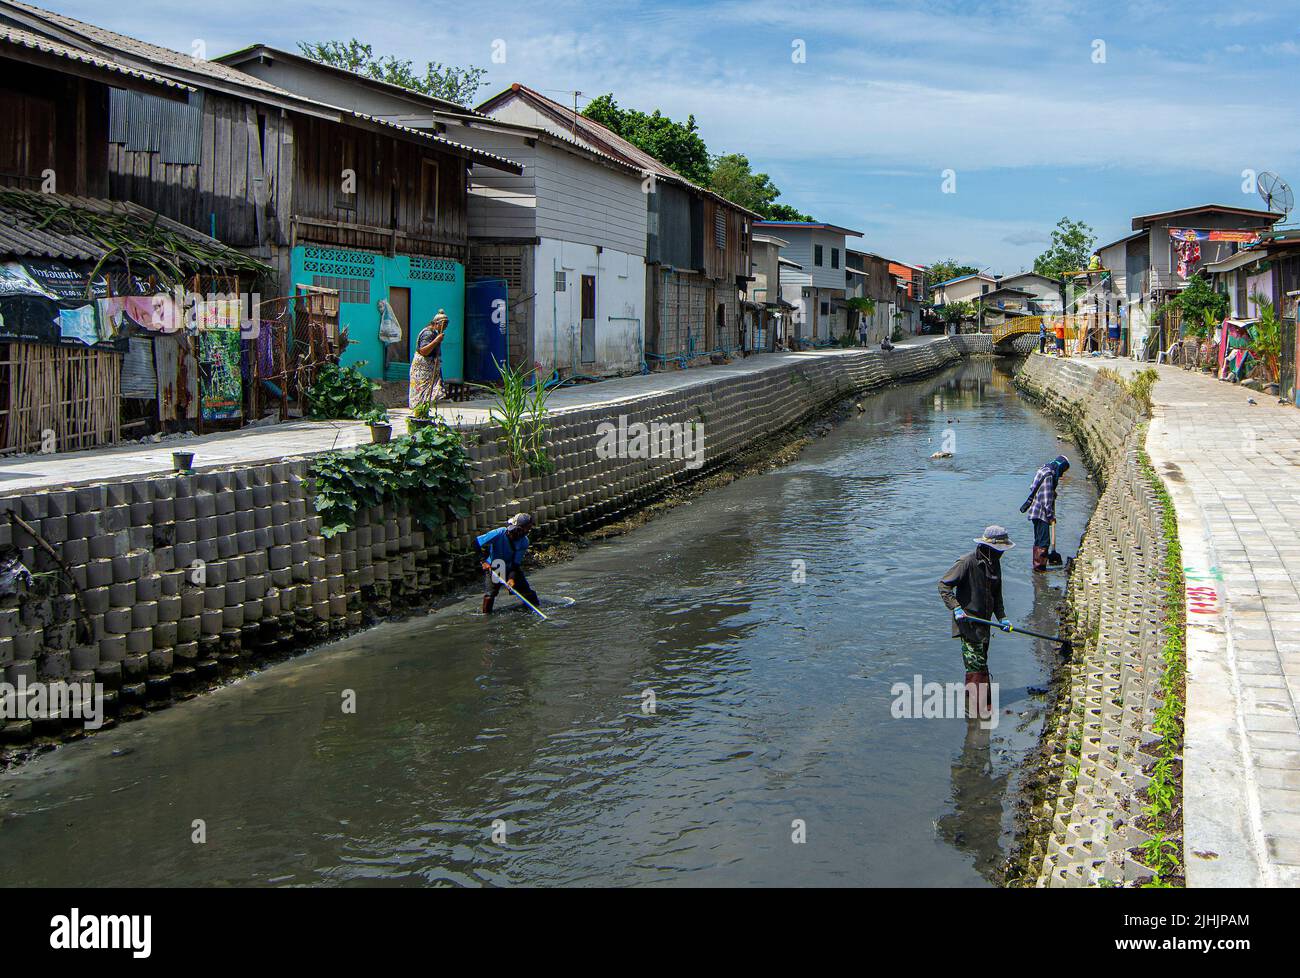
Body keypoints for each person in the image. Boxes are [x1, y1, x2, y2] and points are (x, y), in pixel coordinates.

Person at [938, 525, 1014, 718]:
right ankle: (978, 710)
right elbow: (944, 585)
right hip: (968, 623)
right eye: (999, 550)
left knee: (981, 661)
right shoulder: (967, 562)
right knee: (975, 664)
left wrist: (1002, 617)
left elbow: (997, 595)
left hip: (985, 624)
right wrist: (956, 607)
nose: (1001, 554)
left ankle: (973, 704)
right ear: (989, 547)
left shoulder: (994, 564)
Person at [477, 512, 539, 615]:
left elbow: (516, 564)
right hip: (496, 564)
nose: (527, 531)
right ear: (518, 528)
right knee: (490, 594)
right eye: (526, 528)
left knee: (526, 593)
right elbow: (476, 543)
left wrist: (511, 578)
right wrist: (483, 561)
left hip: (510, 566)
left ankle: (534, 608)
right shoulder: (499, 533)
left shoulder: (524, 541)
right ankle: (486, 616)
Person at [1020, 455, 1070, 572]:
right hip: (1041, 513)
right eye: (1063, 470)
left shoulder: (1043, 469)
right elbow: (1047, 500)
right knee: (1044, 542)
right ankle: (1040, 570)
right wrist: (1051, 516)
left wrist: (1053, 493)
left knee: (1038, 540)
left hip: (1034, 511)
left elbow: (1033, 486)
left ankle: (1037, 568)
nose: (1062, 474)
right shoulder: (1049, 475)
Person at [409, 309, 448, 411]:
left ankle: (423, 413)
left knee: (428, 395)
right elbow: (423, 351)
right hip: (423, 370)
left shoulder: (434, 333)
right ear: (436, 324)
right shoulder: (428, 333)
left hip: (429, 369)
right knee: (421, 396)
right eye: (443, 325)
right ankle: (419, 414)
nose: (444, 328)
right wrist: (436, 341)